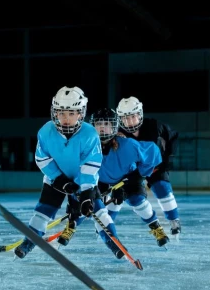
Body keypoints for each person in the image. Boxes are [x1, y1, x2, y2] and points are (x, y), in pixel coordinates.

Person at [14, 87, 126, 261]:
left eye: (71, 113)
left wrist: (87, 192)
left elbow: (91, 164)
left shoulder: (90, 134)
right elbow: (42, 159)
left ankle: (114, 242)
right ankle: (28, 242)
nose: (66, 119)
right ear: (54, 112)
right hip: (54, 180)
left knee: (99, 211)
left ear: (81, 113)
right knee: (42, 211)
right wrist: (59, 180)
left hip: (84, 180)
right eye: (61, 113)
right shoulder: (45, 132)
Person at [57, 108, 170, 248]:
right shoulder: (85, 148)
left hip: (127, 179)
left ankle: (156, 227)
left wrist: (138, 175)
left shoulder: (128, 145)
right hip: (100, 181)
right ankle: (72, 225)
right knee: (83, 201)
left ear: (114, 127)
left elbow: (153, 152)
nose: (102, 128)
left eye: (106, 124)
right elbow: (78, 173)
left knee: (138, 201)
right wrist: (76, 199)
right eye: (98, 124)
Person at [116, 97, 181, 238]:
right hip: (132, 172)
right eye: (125, 118)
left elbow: (173, 135)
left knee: (162, 188)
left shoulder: (155, 126)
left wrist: (167, 160)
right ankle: (105, 225)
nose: (129, 121)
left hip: (154, 167)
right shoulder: (116, 133)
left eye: (132, 117)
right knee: (127, 198)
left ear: (140, 115)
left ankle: (174, 220)